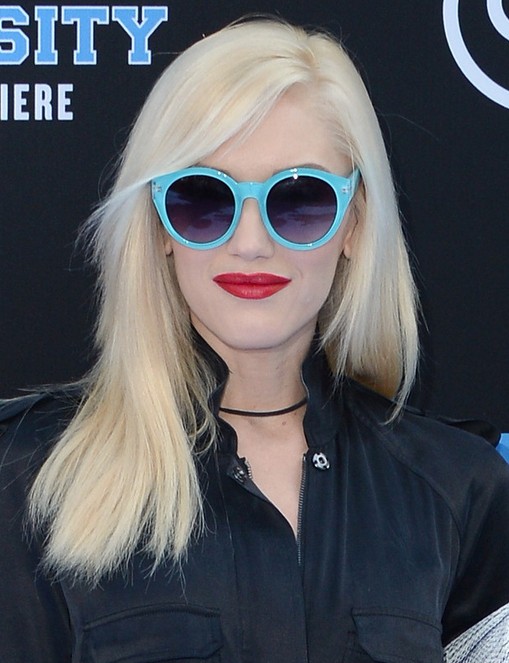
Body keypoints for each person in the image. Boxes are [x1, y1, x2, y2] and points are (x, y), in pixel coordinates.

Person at [1, 18, 508, 663]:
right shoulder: (30, 477)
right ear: (158, 226)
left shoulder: (461, 489)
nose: (250, 242)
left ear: (354, 225)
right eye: (202, 199)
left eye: (299, 201)